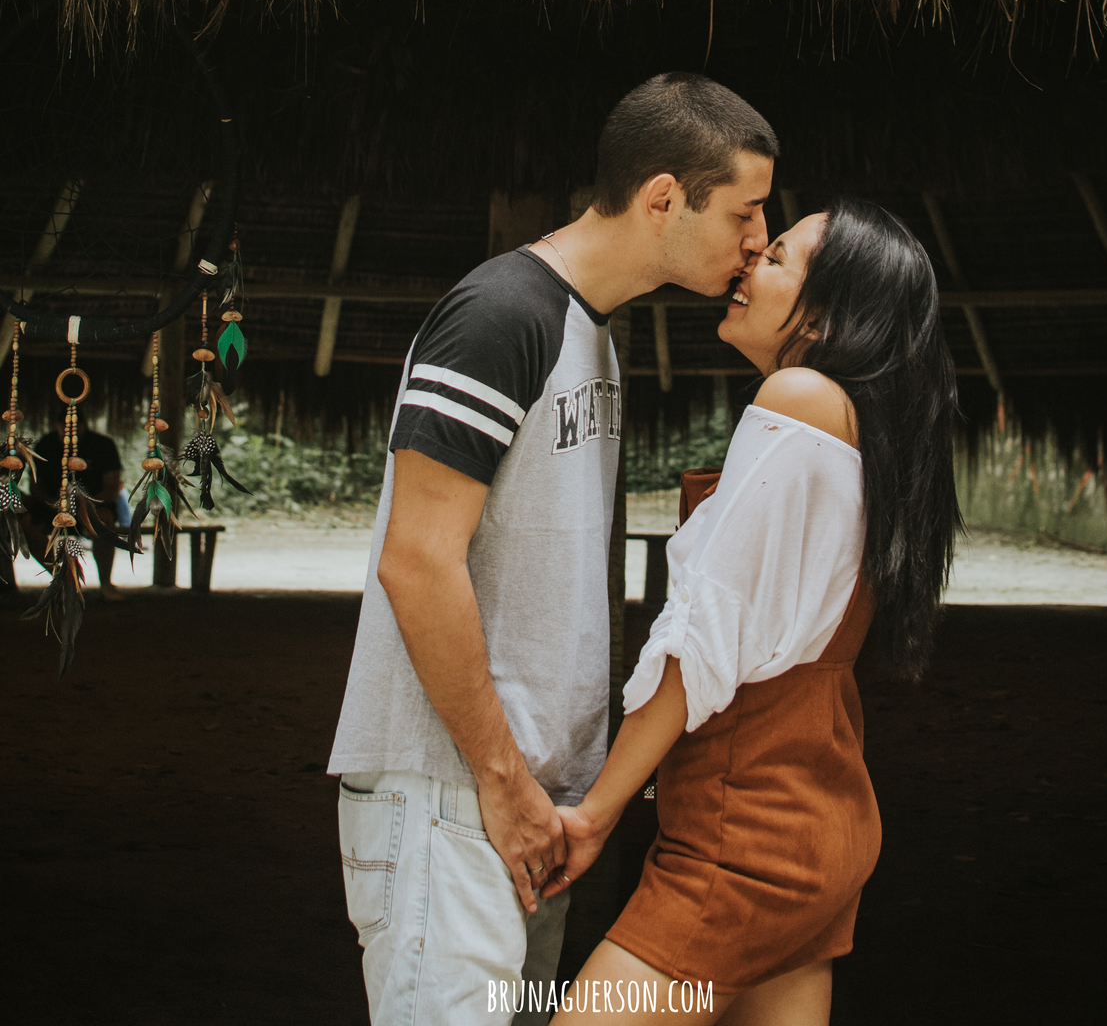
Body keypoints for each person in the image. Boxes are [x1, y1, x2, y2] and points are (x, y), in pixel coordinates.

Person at [327, 73, 780, 1025]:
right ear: (664, 197)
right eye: (744, 210)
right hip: (450, 795)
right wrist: (502, 779)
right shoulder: (502, 315)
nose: (758, 241)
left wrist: (546, 796)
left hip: (527, 807)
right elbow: (416, 562)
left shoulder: (591, 336)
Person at [545, 198, 961, 1024]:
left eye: (776, 258)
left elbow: (701, 636)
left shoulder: (802, 399)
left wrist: (595, 813)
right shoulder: (866, 427)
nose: (746, 267)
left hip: (747, 835)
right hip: (822, 820)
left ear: (832, 316)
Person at [26, 407, 124, 599]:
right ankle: (61, 578)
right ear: (57, 426)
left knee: (105, 522)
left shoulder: (103, 445)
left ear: (83, 426)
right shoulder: (45, 445)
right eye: (65, 428)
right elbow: (35, 486)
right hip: (53, 507)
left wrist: (86, 505)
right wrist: (52, 503)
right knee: (28, 526)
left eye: (75, 427)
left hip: (93, 507)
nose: (70, 432)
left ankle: (106, 583)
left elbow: (112, 486)